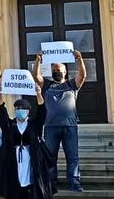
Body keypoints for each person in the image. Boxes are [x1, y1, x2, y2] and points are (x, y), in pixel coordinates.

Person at [33, 49, 87, 192]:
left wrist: (79, 59)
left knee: (72, 157)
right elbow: (36, 77)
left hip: (70, 127)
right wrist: (38, 60)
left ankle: (74, 182)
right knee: (50, 157)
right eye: (54, 70)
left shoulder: (71, 85)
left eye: (59, 70)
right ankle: (51, 183)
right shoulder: (47, 85)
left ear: (65, 72)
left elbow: (82, 76)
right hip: (51, 127)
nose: (57, 72)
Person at [0, 86, 52, 199]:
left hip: (30, 159)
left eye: (22, 108)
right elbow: (1, 111)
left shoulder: (34, 125)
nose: (19, 110)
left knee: (31, 186)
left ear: (28, 111)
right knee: (15, 186)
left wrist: (38, 94)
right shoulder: (10, 125)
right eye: (17, 108)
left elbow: (42, 111)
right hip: (14, 160)